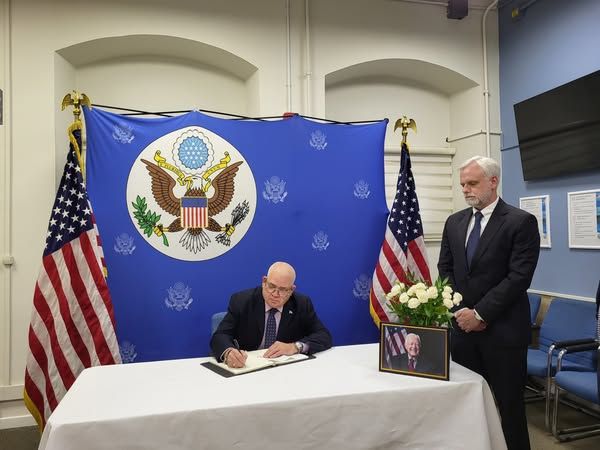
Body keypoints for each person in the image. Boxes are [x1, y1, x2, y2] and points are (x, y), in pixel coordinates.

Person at [438, 156, 540, 450]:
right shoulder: (455, 222)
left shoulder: (521, 222)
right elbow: (445, 270)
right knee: (465, 405)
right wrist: (460, 312)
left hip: (503, 333)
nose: (466, 190)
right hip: (463, 332)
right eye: (463, 185)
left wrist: (481, 313)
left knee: (509, 408)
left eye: (472, 183)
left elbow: (519, 277)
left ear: (493, 182)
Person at [210, 261, 332, 368]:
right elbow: (220, 335)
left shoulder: (301, 304)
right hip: (249, 368)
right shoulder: (242, 301)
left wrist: (295, 347)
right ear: (264, 281)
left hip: (285, 370)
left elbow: (323, 335)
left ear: (291, 290)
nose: (275, 294)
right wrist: (229, 353)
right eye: (272, 286)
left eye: (283, 290)